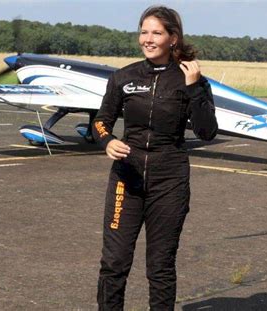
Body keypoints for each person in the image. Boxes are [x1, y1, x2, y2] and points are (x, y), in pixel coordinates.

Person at [92, 5, 218, 310]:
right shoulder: (124, 77)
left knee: (160, 266)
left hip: (169, 181)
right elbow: (100, 121)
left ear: (173, 38)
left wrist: (194, 90)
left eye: (156, 33)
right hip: (127, 178)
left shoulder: (192, 79)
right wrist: (108, 140)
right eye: (143, 31)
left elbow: (206, 132)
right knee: (114, 262)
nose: (148, 39)